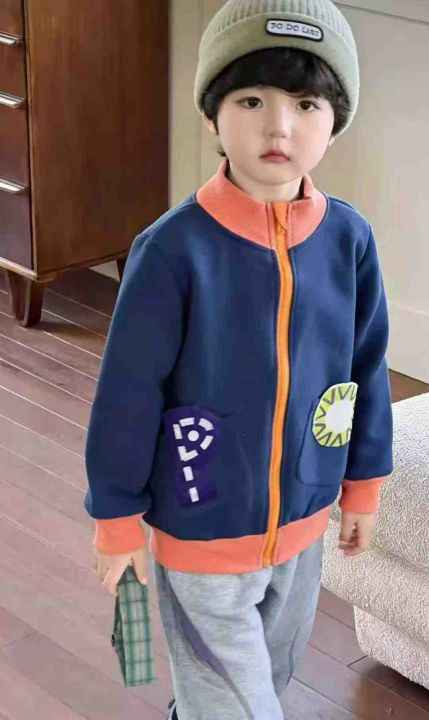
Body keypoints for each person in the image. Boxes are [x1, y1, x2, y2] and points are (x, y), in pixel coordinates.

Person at [85, 1, 394, 718]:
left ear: (334, 121)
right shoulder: (172, 251)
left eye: (306, 103)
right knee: (238, 707)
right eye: (251, 100)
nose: (278, 126)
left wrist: (362, 487)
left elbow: (367, 369)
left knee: (262, 685)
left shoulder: (349, 241)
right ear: (211, 115)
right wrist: (117, 521)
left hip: (305, 522)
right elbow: (128, 394)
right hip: (201, 523)